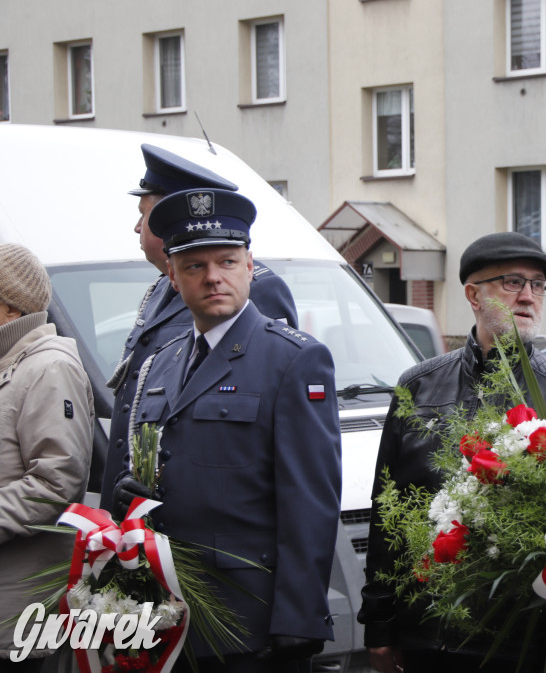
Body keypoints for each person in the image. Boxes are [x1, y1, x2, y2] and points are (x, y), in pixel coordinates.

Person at [111, 188, 341, 673]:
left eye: (227, 261)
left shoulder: (294, 359)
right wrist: (133, 497)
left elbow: (310, 500)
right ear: (172, 276)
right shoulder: (160, 364)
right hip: (167, 615)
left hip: (247, 621)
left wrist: (300, 617)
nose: (213, 277)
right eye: (194, 266)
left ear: (250, 267)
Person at [358, 232, 546, 673]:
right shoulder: (418, 386)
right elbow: (387, 512)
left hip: (520, 640)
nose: (528, 296)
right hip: (429, 635)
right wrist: (380, 627)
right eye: (512, 282)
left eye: (538, 284)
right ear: (473, 294)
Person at [99, 144, 298, 512]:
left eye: (144, 215)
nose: (137, 226)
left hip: (208, 510)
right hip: (140, 501)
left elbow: (257, 397)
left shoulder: (257, 290)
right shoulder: (163, 287)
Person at [0, 244, 94, 670]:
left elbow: (56, 484)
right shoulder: (13, 365)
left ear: (11, 309)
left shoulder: (48, 368)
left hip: (19, 611)